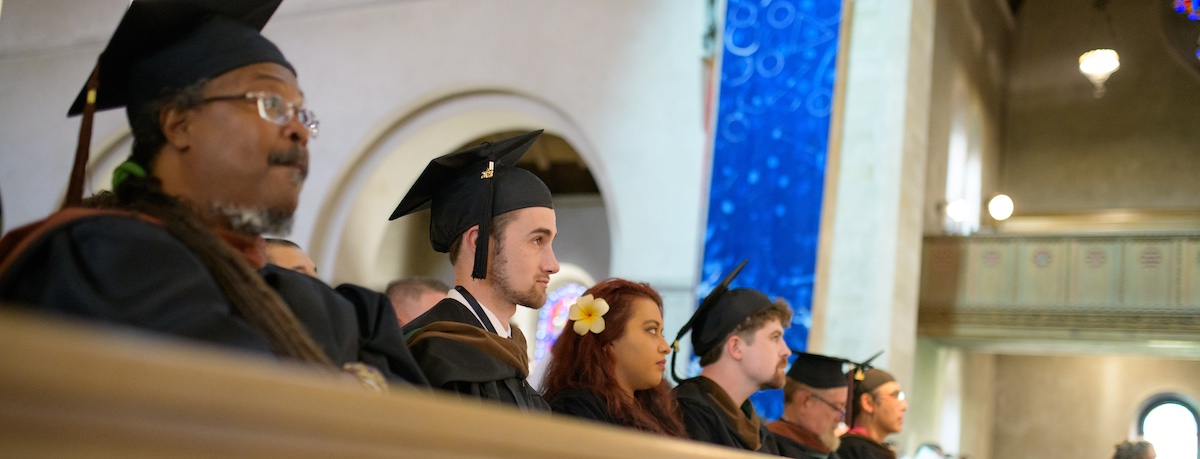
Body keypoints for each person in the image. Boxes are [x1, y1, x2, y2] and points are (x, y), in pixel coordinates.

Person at [0, 0, 425, 387]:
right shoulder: (108, 259)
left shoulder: (329, 308)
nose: (297, 129)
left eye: (301, 112)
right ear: (178, 125)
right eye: (270, 102)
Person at [393, 129, 559, 410]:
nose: (552, 264)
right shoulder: (431, 356)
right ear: (479, 241)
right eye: (536, 240)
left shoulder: (509, 355)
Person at [670, 260, 791, 454]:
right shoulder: (686, 415)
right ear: (736, 347)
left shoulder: (757, 431)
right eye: (774, 337)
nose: (786, 351)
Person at [540, 278, 686, 437]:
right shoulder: (577, 410)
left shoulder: (654, 408)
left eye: (661, 333)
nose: (665, 347)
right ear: (608, 339)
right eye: (651, 330)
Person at [768, 352, 852, 459]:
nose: (841, 419)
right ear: (805, 401)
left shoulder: (827, 451)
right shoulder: (768, 447)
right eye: (836, 407)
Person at [838, 368, 907, 459]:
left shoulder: (875, 450)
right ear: (868, 403)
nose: (904, 406)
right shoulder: (851, 452)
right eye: (894, 396)